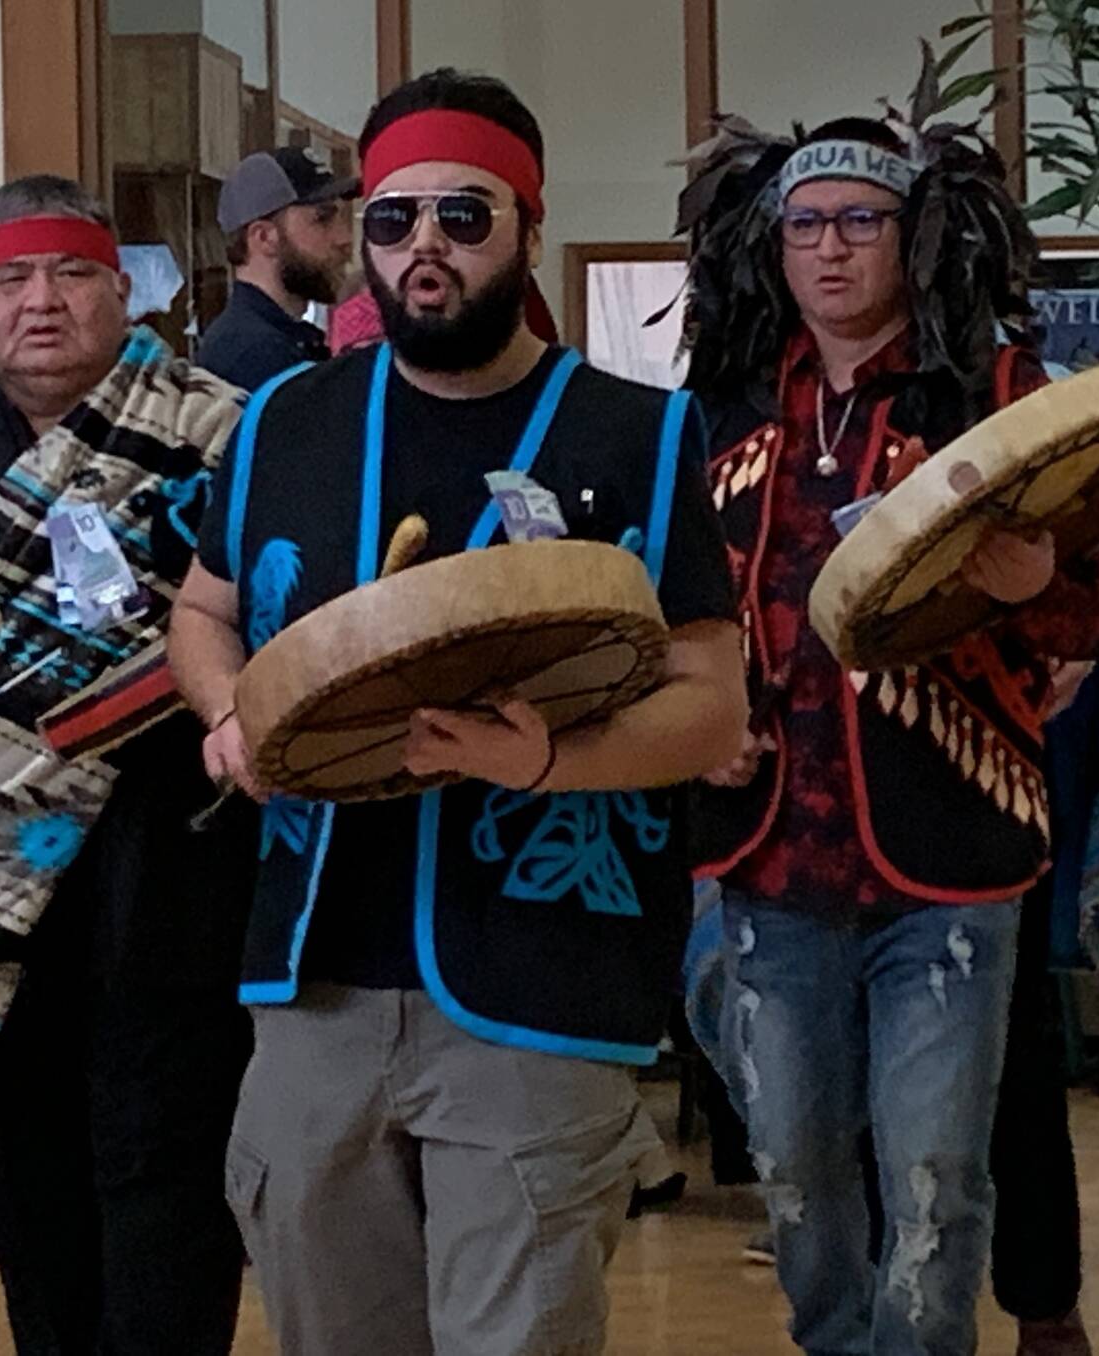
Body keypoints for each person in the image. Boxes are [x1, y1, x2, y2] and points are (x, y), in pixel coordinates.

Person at [168, 68, 746, 1355]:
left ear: (527, 227)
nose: (423, 247)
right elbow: (204, 612)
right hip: (311, 971)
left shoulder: (639, 434)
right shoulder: (280, 423)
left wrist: (548, 760)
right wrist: (226, 715)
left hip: (540, 971)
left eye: (463, 217)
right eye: (391, 217)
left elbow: (709, 706)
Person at [677, 109, 1099, 1354]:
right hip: (767, 860)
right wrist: (695, 720)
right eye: (805, 227)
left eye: (858, 223)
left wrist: (1038, 580)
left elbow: (1097, 600)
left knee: (933, 1186)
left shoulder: (989, 395)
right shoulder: (719, 408)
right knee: (801, 1186)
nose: (829, 252)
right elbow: (666, 601)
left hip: (948, 853)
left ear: (911, 233)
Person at [0, 174, 256, 1354]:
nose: (39, 303)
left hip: (175, 885)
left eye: (71, 274)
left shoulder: (223, 431)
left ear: (122, 289)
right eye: (9, 280)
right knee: (29, 1214)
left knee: (173, 1212)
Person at [195, 146, 355, 389]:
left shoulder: (286, 340)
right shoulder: (252, 356)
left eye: (342, 218)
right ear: (263, 237)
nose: (345, 238)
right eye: (322, 218)